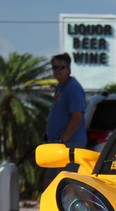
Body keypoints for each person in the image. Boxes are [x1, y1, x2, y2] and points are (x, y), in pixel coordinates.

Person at [43, 53, 87, 187]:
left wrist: (63, 139)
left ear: (68, 69)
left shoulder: (73, 88)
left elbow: (77, 117)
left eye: (60, 67)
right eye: (54, 67)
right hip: (57, 145)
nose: (56, 71)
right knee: (49, 182)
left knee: (64, 184)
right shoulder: (61, 87)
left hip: (70, 144)